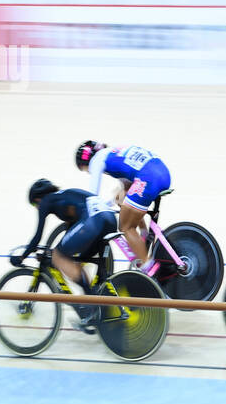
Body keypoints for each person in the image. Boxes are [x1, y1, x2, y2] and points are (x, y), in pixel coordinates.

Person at [10, 179, 118, 332]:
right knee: (73, 261)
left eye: (35, 205)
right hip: (110, 219)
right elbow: (72, 232)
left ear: (38, 199)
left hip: (93, 221)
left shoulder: (46, 201)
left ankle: (92, 306)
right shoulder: (66, 196)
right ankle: (92, 300)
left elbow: (37, 236)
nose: (37, 208)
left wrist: (22, 256)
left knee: (58, 257)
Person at [75, 140, 171, 268]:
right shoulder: (114, 154)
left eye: (86, 170)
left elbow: (92, 196)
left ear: (86, 161)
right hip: (162, 174)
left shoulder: (96, 160)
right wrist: (108, 203)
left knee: (125, 227)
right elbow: (125, 190)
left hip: (148, 178)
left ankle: (147, 267)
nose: (88, 172)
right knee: (124, 202)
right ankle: (143, 234)